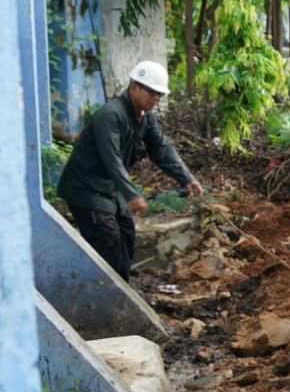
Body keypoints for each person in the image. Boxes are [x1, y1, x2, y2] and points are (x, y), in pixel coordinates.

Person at [57, 61, 203, 280]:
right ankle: (103, 294)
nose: (155, 98)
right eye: (151, 92)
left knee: (126, 232)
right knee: (108, 238)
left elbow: (162, 149)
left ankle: (122, 288)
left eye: (159, 95)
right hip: (86, 189)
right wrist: (132, 194)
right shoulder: (111, 115)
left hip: (108, 189)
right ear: (134, 87)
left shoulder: (144, 118)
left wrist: (186, 178)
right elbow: (111, 158)